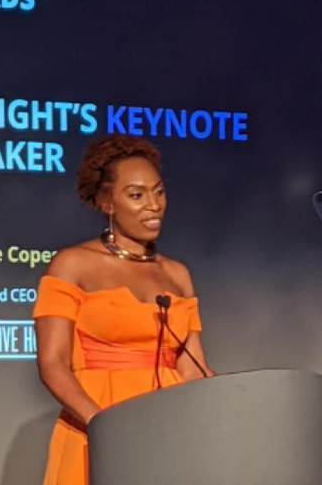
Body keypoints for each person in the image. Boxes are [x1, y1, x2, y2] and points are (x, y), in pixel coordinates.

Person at [33, 134, 214, 485]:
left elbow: (192, 368)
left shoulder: (177, 274)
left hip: (169, 426)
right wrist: (104, 424)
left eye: (158, 192)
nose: (153, 205)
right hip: (98, 425)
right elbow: (52, 363)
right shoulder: (72, 264)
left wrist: (234, 407)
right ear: (107, 203)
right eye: (136, 195)